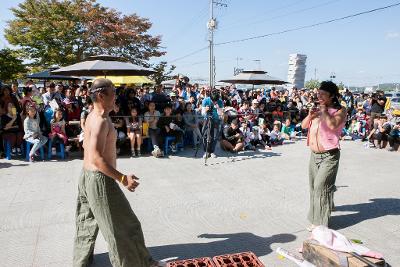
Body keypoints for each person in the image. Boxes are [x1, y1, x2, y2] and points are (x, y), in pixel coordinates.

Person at [73, 78, 163, 267]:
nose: (116, 96)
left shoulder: (92, 115)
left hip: (87, 177)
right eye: (113, 92)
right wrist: (122, 178)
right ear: (100, 95)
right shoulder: (100, 120)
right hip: (100, 180)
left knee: (86, 225)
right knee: (123, 227)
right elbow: (97, 158)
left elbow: (86, 146)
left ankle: (80, 263)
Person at [301, 81, 347, 230]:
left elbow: (333, 125)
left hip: (329, 155)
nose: (318, 96)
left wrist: (323, 110)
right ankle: (319, 213)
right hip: (314, 155)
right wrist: (310, 116)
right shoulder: (318, 110)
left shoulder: (340, 110)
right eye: (318, 93)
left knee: (321, 187)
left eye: (322, 94)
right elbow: (303, 126)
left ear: (332, 96)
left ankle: (320, 224)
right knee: (314, 187)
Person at [201, 89, 223, 158]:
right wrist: (206, 110)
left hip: (216, 120)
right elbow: (202, 113)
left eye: (215, 100)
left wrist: (218, 108)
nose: (214, 102)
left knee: (215, 136)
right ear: (210, 98)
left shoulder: (220, 101)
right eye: (213, 100)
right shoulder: (205, 100)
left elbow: (220, 114)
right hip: (207, 119)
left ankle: (212, 151)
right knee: (205, 135)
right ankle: (206, 151)